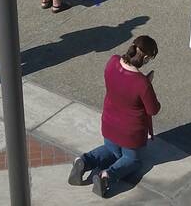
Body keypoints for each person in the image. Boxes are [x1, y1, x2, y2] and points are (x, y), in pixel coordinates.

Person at [68, 36, 160, 198]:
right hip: (130, 132)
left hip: (109, 122)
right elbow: (153, 109)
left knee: (112, 150)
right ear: (145, 58)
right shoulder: (142, 83)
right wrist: (148, 84)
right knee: (132, 159)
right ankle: (107, 176)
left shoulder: (112, 61)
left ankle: (84, 161)